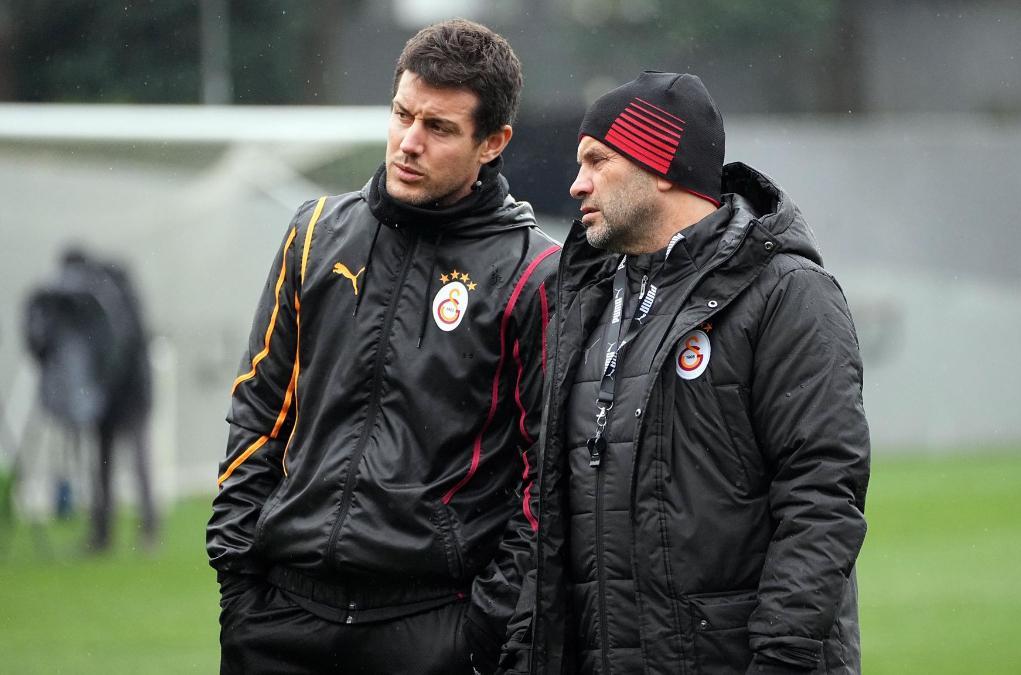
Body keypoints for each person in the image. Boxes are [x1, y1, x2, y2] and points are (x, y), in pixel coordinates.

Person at [206, 19, 560, 674]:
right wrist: (239, 585)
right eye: (403, 114)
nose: (409, 142)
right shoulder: (314, 234)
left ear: (494, 142)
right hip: (282, 616)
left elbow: (546, 477)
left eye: (440, 128)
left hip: (432, 628)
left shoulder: (533, 276)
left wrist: (482, 625)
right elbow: (258, 413)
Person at [499, 72, 871, 674]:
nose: (576, 184)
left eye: (597, 161)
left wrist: (782, 660)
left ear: (662, 165)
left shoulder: (787, 295)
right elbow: (551, 511)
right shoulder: (585, 300)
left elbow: (821, 498)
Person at [24, 248, 158, 552]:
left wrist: (100, 385)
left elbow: (117, 347)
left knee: (126, 459)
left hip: (126, 390)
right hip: (115, 389)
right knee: (112, 461)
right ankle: (116, 532)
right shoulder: (101, 295)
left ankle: (138, 530)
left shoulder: (101, 297)